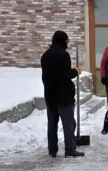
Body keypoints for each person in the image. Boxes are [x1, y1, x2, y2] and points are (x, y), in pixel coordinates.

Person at [41, 30, 85, 158]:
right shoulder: (63, 55)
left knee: (52, 124)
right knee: (69, 124)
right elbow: (65, 75)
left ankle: (52, 149)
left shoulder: (45, 55)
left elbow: (46, 76)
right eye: (66, 40)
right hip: (64, 97)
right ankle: (70, 150)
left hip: (50, 96)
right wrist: (76, 71)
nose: (67, 43)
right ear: (62, 41)